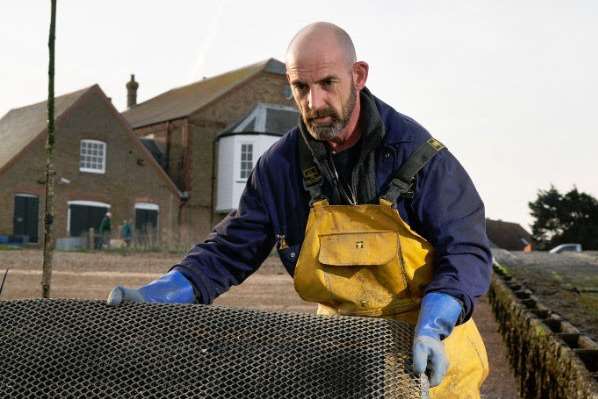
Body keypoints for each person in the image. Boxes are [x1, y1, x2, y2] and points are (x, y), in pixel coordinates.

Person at [108, 22, 491, 398]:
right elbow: (229, 252)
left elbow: (467, 250)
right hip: (341, 347)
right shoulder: (280, 168)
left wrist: (434, 324)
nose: (314, 103)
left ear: (358, 75)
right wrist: (165, 292)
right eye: (300, 88)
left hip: (429, 350)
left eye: (327, 83)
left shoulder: (420, 157)